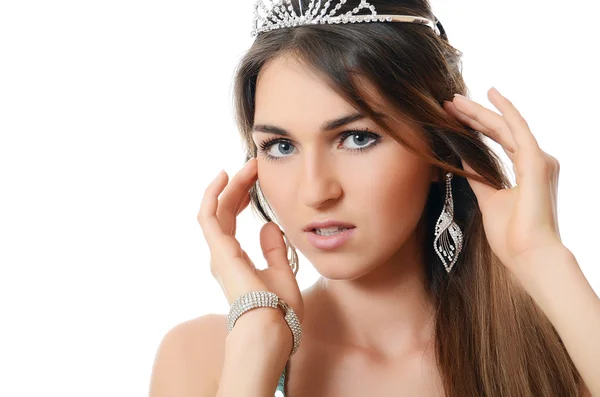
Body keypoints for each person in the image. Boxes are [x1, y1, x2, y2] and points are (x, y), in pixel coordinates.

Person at [149, 1, 600, 396]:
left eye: (358, 138)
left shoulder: (557, 347)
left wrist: (542, 258)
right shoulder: (204, 357)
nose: (316, 191)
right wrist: (258, 345)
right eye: (281, 146)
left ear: (439, 149)